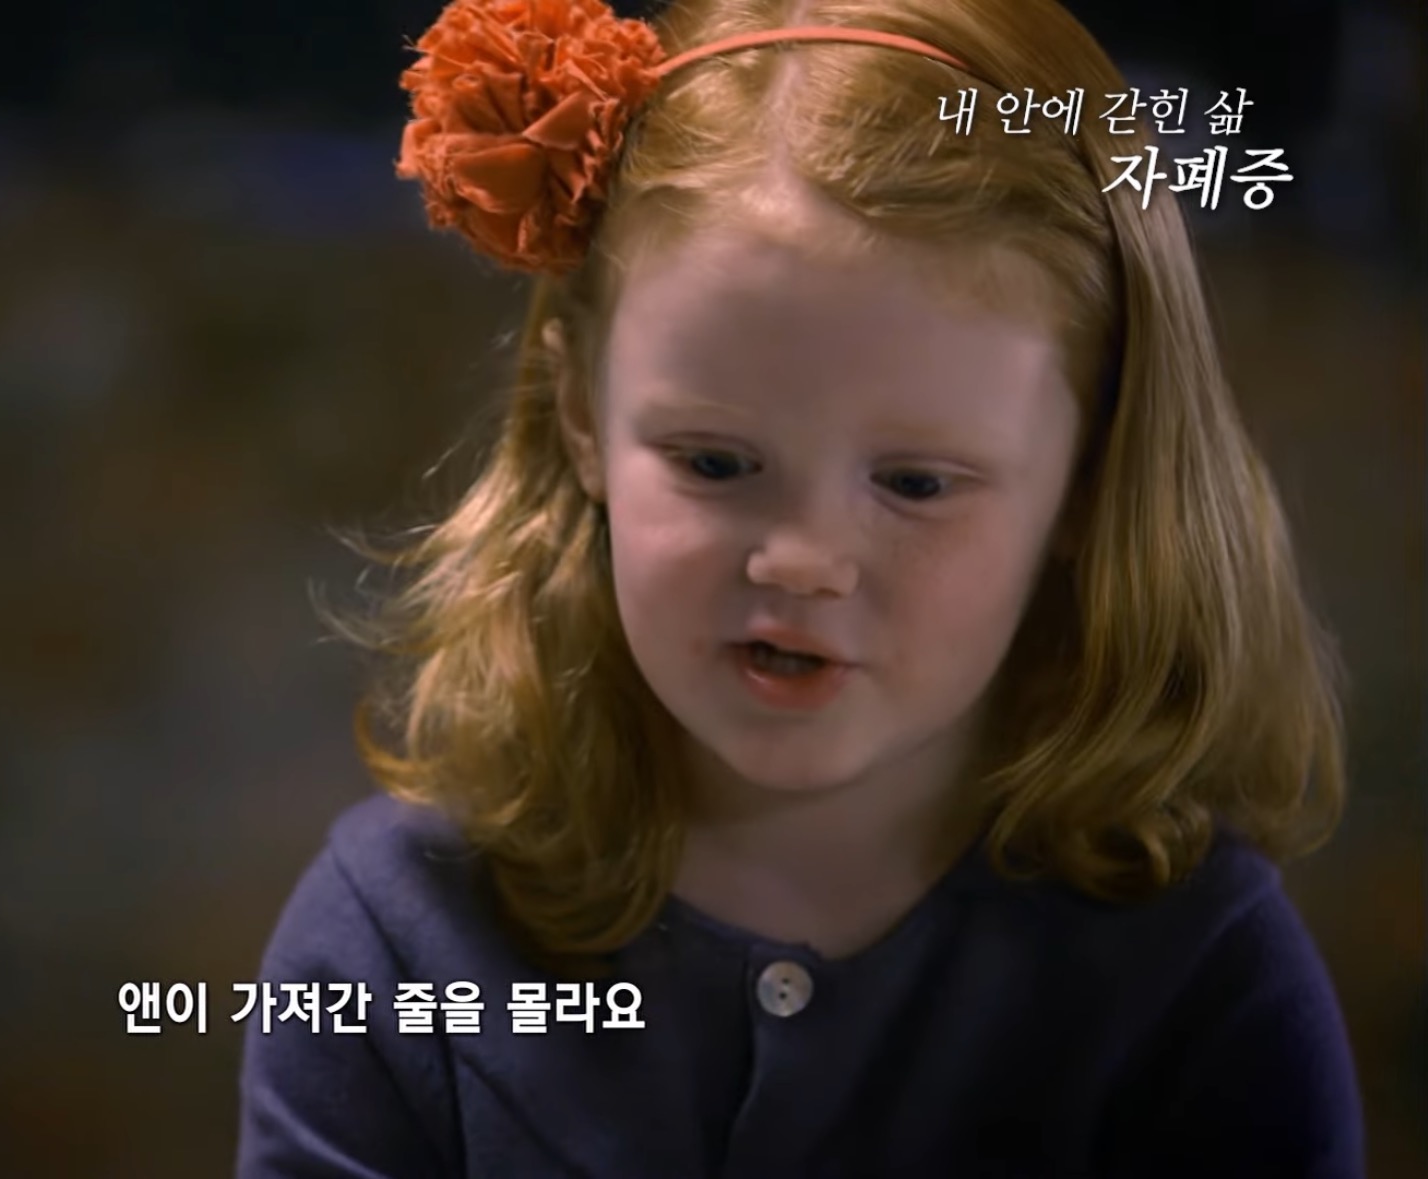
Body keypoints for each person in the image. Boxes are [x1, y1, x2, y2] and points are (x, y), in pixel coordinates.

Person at [236, 0, 1363, 1176]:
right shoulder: (395, 944)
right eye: (715, 465)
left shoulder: (1198, 981)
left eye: (915, 484)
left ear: (1089, 479)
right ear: (580, 416)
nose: (801, 559)